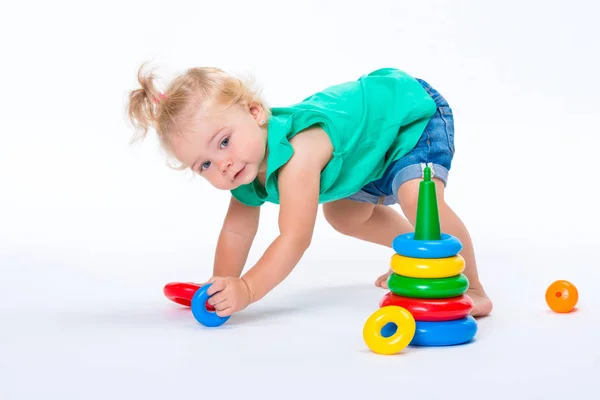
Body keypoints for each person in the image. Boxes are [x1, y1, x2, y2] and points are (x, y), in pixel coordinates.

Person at [126, 63, 493, 319]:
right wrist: (222, 285)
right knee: (344, 214)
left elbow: (294, 238)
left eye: (223, 142)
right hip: (366, 155)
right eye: (204, 165)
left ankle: (473, 288)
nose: (221, 164)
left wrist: (249, 291)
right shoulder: (244, 170)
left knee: (419, 197)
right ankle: (423, 261)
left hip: (409, 117)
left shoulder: (298, 155)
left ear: (255, 113)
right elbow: (237, 231)